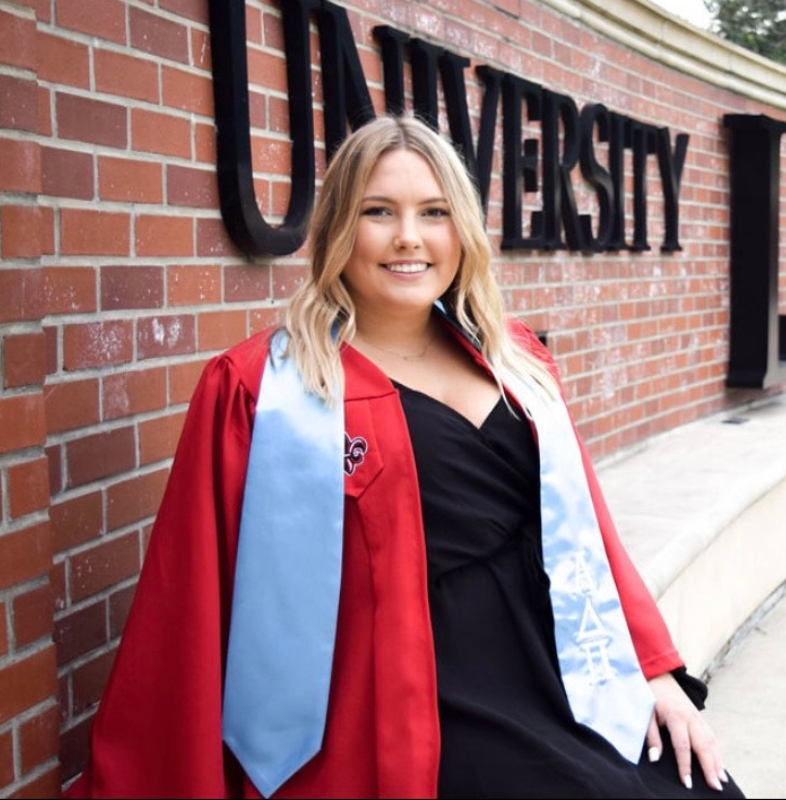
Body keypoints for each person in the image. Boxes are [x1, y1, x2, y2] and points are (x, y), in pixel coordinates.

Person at [67, 115, 744, 799]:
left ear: (464, 230)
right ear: (337, 228)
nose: (409, 238)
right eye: (378, 212)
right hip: (417, 702)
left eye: (434, 213)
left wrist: (653, 671)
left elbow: (584, 536)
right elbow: (190, 598)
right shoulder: (264, 392)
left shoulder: (516, 360)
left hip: (559, 669)